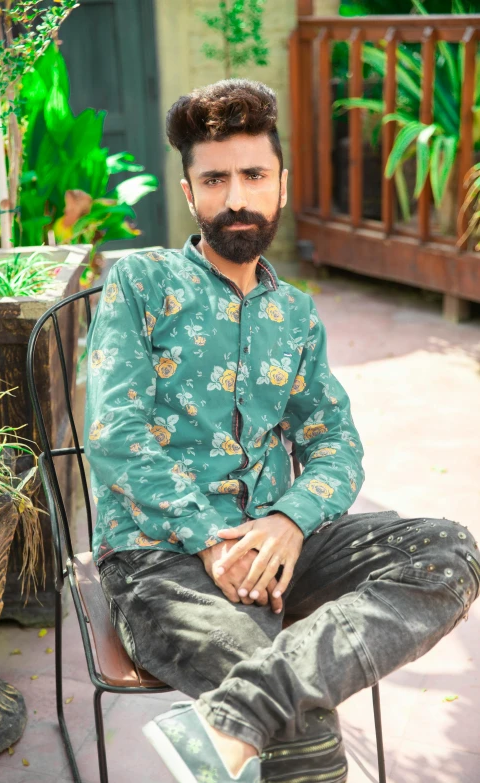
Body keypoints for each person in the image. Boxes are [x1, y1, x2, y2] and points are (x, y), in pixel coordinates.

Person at [84, 79, 479, 783]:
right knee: (306, 726)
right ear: (190, 193)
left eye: (253, 175)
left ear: (282, 186)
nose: (236, 195)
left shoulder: (294, 315)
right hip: (161, 557)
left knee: (448, 551)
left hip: (277, 544)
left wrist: (290, 521)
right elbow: (116, 434)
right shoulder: (141, 283)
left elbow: (335, 442)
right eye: (215, 178)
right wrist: (211, 537)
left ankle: (237, 712)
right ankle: (270, 702)